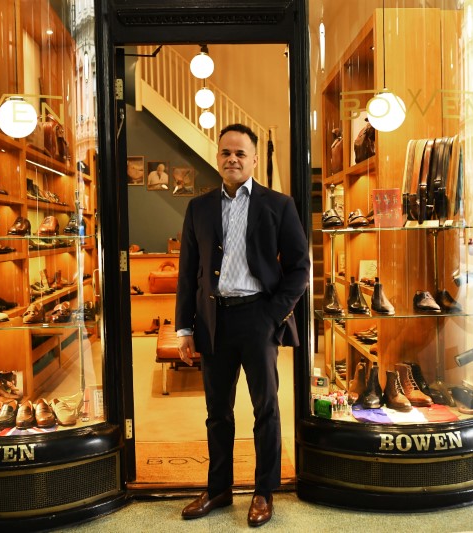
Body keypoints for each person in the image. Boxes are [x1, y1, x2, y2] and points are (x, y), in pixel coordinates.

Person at [175, 123, 310, 526]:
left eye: (240, 153)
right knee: (217, 412)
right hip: (213, 321)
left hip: (258, 318)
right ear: (217, 158)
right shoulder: (198, 208)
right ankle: (217, 490)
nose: (232, 159)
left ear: (253, 160)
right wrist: (184, 328)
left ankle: (264, 492)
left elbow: (300, 268)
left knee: (265, 409)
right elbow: (188, 273)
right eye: (225, 153)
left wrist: (273, 315)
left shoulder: (279, 204)